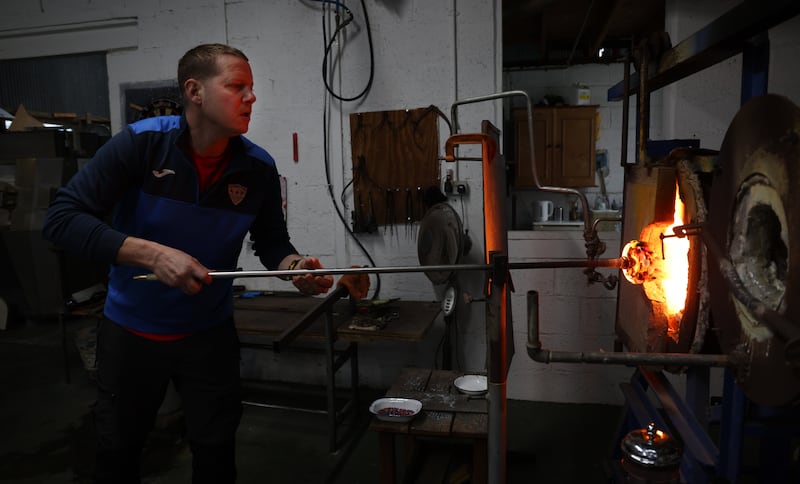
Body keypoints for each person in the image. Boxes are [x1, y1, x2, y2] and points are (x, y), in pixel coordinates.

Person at [42, 43, 340, 483]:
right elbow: (61, 219)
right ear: (195, 91)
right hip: (131, 334)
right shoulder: (141, 145)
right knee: (118, 449)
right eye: (237, 86)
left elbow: (273, 241)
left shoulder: (257, 168)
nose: (251, 97)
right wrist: (152, 253)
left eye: (252, 88)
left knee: (216, 451)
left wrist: (296, 268)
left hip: (208, 336)